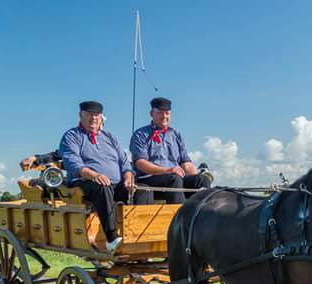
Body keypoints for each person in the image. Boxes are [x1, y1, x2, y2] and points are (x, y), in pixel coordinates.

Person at [59, 101, 152, 252]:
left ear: (101, 117)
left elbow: (124, 162)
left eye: (96, 115)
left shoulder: (110, 137)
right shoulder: (72, 136)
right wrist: (93, 174)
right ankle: (111, 238)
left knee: (143, 189)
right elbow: (72, 162)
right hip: (83, 183)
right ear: (80, 116)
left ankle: (138, 236)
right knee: (102, 186)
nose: (93, 118)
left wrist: (129, 176)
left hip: (114, 185)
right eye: (88, 115)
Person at [130, 97, 209, 204]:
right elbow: (140, 163)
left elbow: (187, 165)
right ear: (151, 113)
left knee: (201, 180)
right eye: (160, 113)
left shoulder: (175, 135)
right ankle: (181, 218)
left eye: (167, 113)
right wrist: (168, 170)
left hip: (175, 179)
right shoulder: (141, 134)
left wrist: (196, 177)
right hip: (149, 179)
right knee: (174, 179)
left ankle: (200, 215)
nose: (164, 116)